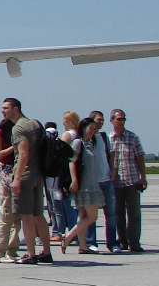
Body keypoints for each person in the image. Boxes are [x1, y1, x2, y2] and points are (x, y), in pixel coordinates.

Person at [5, 97, 53, 264]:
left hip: (25, 174)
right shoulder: (35, 124)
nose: (3, 111)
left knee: (26, 216)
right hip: (38, 174)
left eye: (6, 108)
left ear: (16, 109)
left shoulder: (19, 128)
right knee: (38, 215)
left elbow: (23, 153)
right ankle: (46, 252)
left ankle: (31, 254)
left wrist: (16, 178)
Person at [61, 118, 104, 255]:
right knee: (92, 217)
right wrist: (74, 181)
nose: (92, 131)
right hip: (85, 186)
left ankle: (83, 245)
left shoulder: (90, 143)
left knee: (83, 216)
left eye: (94, 129)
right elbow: (71, 162)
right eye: (90, 128)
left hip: (92, 183)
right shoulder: (78, 142)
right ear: (83, 128)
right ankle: (68, 237)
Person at [109, 109, 147, 252]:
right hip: (115, 182)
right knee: (118, 214)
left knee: (134, 214)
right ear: (112, 120)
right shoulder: (108, 138)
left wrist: (142, 177)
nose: (121, 121)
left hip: (132, 180)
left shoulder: (132, 137)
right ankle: (122, 241)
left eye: (123, 119)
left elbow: (139, 157)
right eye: (119, 119)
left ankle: (134, 242)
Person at [84, 111, 120, 254]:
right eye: (99, 120)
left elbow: (111, 155)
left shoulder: (104, 137)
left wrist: (113, 170)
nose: (101, 122)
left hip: (106, 180)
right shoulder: (85, 139)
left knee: (111, 213)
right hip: (93, 182)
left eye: (103, 120)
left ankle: (112, 243)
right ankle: (91, 241)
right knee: (92, 215)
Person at [0, 119, 21, 263]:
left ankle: (12, 250)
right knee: (6, 215)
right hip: (4, 178)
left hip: (16, 177)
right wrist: (14, 147)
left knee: (17, 218)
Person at [50, 112, 81, 242]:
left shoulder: (67, 135)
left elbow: (61, 152)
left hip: (66, 172)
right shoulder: (79, 134)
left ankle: (69, 233)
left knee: (64, 205)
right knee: (76, 205)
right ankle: (77, 232)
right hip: (79, 171)